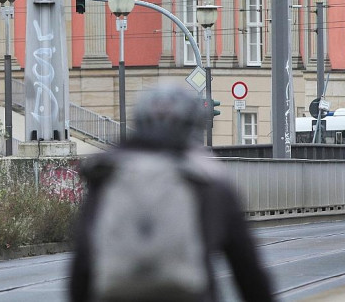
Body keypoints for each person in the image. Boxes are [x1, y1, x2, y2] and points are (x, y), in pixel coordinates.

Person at [69, 84, 275, 302]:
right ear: (193, 128)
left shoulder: (107, 175)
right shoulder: (207, 179)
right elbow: (247, 269)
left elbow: (82, 265)